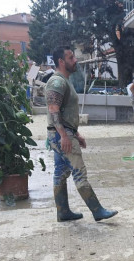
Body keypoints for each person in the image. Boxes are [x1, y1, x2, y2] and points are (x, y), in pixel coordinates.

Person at [46, 46, 117, 222]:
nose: (75, 60)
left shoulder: (63, 80)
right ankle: (97, 210)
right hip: (61, 134)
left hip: (62, 133)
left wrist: (75, 134)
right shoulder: (57, 82)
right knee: (79, 172)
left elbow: (64, 112)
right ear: (61, 61)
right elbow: (53, 111)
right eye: (71, 57)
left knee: (60, 172)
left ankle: (63, 211)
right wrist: (64, 136)